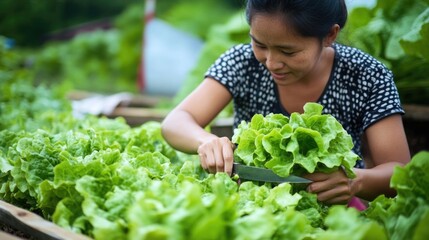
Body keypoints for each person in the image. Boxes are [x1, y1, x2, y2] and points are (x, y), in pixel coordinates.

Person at [161, 0, 410, 205]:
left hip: (334, 207)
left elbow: (400, 171)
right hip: (249, 203)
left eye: (288, 52)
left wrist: (355, 181)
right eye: (259, 44)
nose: (271, 62)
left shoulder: (367, 75)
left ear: (329, 35)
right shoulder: (241, 61)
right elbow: (176, 121)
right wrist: (207, 142)